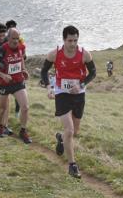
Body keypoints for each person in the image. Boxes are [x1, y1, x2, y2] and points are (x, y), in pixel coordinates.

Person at [40, 25, 96, 179]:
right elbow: (44, 71)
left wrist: (81, 84)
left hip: (79, 94)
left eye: (75, 40)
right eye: (70, 40)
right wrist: (49, 87)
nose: (73, 44)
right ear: (64, 39)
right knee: (70, 130)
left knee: (75, 131)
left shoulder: (84, 54)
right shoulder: (55, 54)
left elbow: (93, 73)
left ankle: (61, 138)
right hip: (62, 93)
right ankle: (72, 165)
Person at [0, 28, 32, 143]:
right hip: (3, 83)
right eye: (13, 39)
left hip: (18, 81)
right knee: (2, 109)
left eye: (17, 38)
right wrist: (2, 75)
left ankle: (23, 130)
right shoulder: (2, 49)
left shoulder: (21, 47)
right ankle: (0, 127)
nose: (15, 41)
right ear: (8, 38)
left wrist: (24, 69)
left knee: (25, 107)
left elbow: (21, 58)